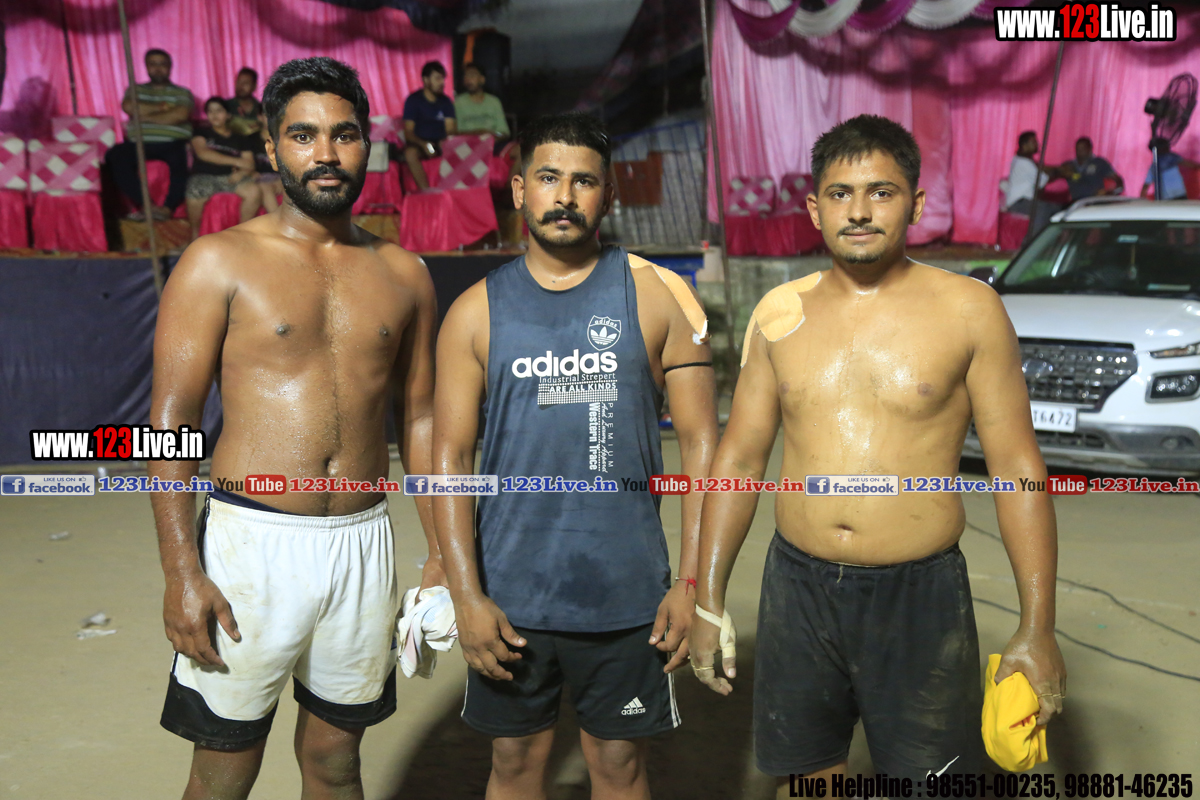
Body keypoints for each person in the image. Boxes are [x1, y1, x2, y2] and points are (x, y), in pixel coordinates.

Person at [688, 114, 1066, 792]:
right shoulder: (779, 314)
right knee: (810, 780)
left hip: (920, 595)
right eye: (840, 194)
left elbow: (1016, 470)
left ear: (915, 205)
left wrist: (1038, 627)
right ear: (815, 209)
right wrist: (707, 600)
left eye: (880, 192)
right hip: (798, 589)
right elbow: (739, 462)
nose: (858, 212)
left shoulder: (970, 310)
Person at [148, 56, 444, 800]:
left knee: (337, 762)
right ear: (273, 147)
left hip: (363, 544)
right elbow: (172, 421)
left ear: (367, 145)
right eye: (303, 135)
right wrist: (181, 572)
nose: (326, 153)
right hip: (252, 546)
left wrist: (442, 554)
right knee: (224, 770)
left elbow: (421, 419)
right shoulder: (217, 261)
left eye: (344, 135)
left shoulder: (405, 273)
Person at [433, 112, 718, 800]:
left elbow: (703, 449)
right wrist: (465, 594)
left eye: (584, 181)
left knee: (619, 768)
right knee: (514, 765)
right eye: (548, 178)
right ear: (519, 190)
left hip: (628, 594)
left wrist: (691, 584)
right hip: (511, 597)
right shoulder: (473, 311)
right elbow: (449, 456)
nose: (564, 196)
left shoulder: (661, 297)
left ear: (608, 195)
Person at [107, 48, 195, 221]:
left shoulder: (182, 92)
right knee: (115, 155)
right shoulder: (135, 90)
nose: (158, 68)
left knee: (182, 159)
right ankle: (147, 205)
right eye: (153, 64)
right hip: (138, 142)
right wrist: (164, 109)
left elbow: (181, 115)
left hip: (172, 142)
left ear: (170, 67)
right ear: (146, 67)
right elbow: (129, 107)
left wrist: (144, 115)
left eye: (162, 64)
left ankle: (168, 208)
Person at [185, 97, 260, 240]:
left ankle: (242, 236)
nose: (214, 114)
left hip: (230, 178)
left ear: (228, 115)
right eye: (210, 111)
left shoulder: (240, 139)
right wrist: (238, 162)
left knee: (253, 191)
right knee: (195, 192)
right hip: (204, 175)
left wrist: (242, 173)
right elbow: (203, 153)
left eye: (219, 111)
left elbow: (249, 164)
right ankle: (194, 238)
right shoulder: (200, 133)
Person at [402, 60, 456, 191]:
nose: (442, 83)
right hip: (420, 143)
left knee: (459, 148)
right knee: (410, 153)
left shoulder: (446, 102)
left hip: (441, 143)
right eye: (437, 78)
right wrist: (423, 144)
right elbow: (408, 132)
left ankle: (454, 192)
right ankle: (426, 192)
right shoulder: (413, 100)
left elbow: (451, 130)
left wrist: (446, 142)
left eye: (443, 78)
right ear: (426, 80)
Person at [1004, 130, 1060, 235]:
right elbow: (1043, 180)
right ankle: (1034, 239)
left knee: (1054, 208)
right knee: (1043, 209)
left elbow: (1040, 169)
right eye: (1033, 142)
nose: (1037, 145)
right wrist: (1058, 172)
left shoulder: (1019, 159)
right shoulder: (1024, 163)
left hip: (1021, 201)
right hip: (1019, 203)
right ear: (1024, 145)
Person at [454, 62, 510, 147]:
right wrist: (479, 134)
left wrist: (492, 137)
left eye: (472, 75)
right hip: (467, 145)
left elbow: (503, 133)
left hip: (492, 144)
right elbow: (456, 133)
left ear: (482, 79)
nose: (468, 79)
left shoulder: (494, 102)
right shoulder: (458, 102)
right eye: (466, 76)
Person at [1060, 136, 1124, 202]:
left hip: (1096, 202)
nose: (1079, 152)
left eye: (1082, 149)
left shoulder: (1100, 163)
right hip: (1076, 204)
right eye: (1077, 149)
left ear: (1090, 149)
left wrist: (1109, 193)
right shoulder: (1068, 165)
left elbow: (1119, 182)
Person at [226, 67, 262, 137]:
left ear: (254, 86)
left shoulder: (262, 109)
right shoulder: (225, 107)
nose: (240, 86)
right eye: (238, 82)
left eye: (246, 83)